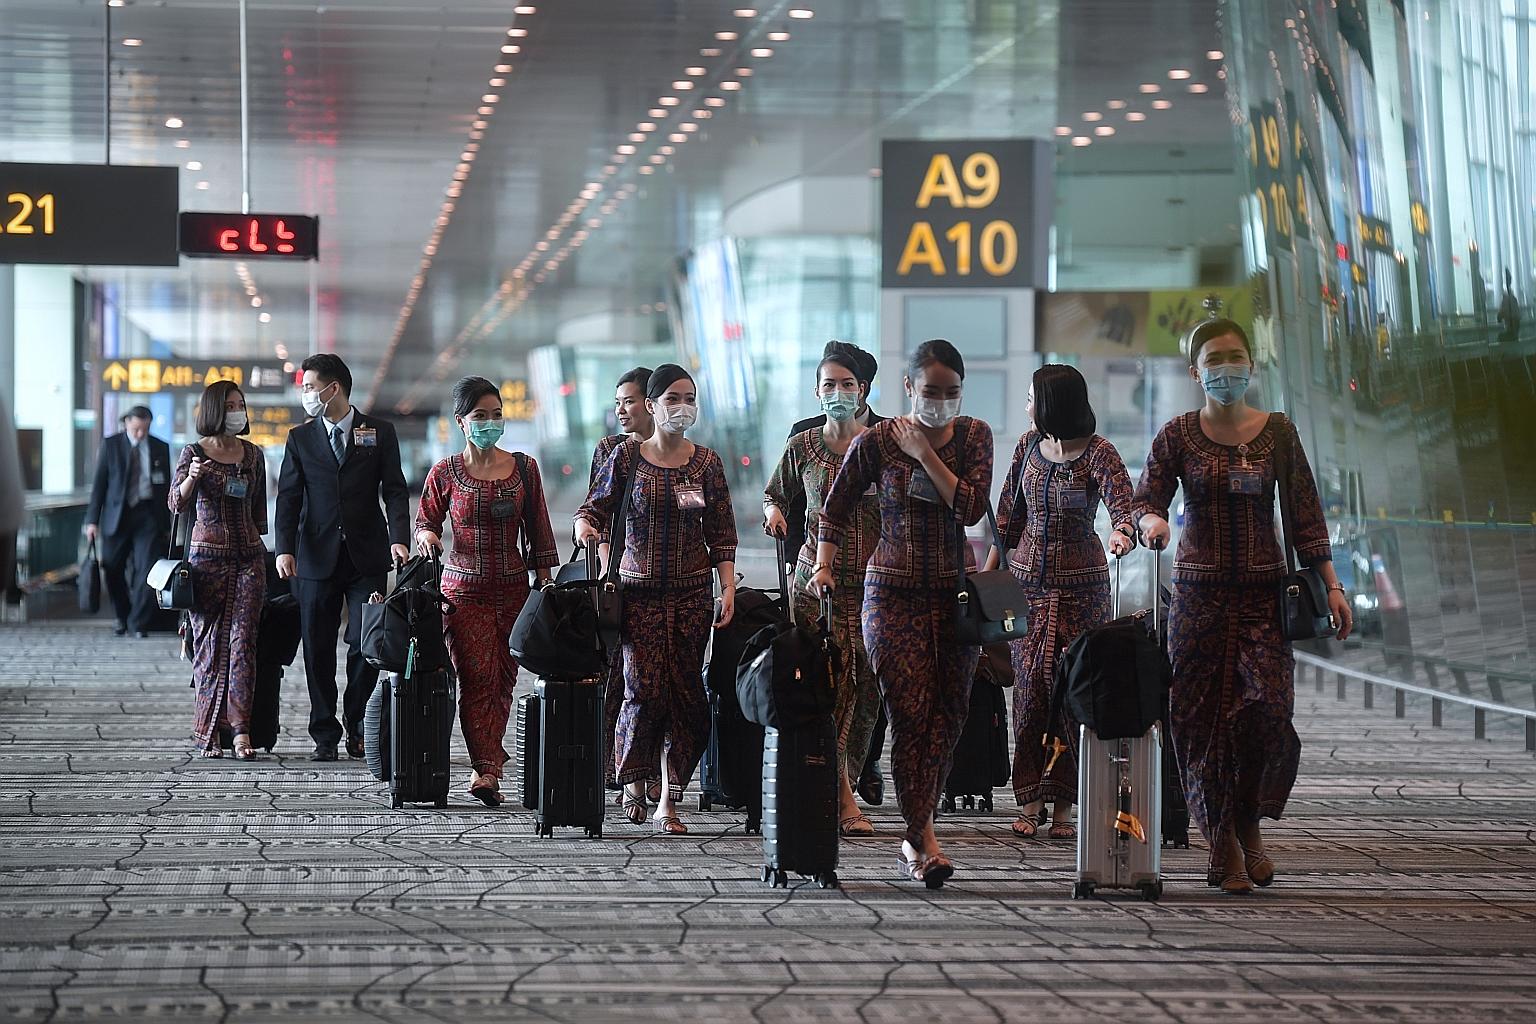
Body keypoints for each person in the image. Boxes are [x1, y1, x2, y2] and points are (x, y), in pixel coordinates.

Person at [1135, 318, 1352, 895]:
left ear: (1252, 365)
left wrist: (1330, 585)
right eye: (1215, 359)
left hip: (1263, 596)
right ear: (1195, 371)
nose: (1226, 368)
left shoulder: (1277, 432)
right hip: (1198, 600)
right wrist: (1151, 519)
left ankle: (1248, 819)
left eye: (1236, 356)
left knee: (1268, 712)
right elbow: (1147, 499)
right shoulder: (1177, 435)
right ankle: (1221, 843)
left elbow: (1305, 515)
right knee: (1198, 723)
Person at [812, 339, 993, 887]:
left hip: (953, 596)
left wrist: (925, 454)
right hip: (889, 594)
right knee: (911, 713)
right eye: (929, 391)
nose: (940, 402)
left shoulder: (974, 437)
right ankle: (922, 837)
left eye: (950, 393)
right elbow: (835, 509)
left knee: (950, 713)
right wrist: (823, 565)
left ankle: (918, 832)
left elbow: (970, 507)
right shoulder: (875, 442)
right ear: (908, 387)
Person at [574, 364, 738, 834]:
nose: (681, 407)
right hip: (638, 595)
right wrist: (585, 526)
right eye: (672, 399)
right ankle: (634, 777)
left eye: (689, 398)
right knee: (642, 688)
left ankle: (669, 793)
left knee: (685, 690)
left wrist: (726, 587)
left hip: (691, 595)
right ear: (651, 405)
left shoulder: (707, 463)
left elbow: (722, 534)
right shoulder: (627, 457)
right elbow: (594, 506)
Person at [985, 365, 1136, 841]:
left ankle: (1066, 807)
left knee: (1074, 695)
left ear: (1053, 402)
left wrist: (1123, 533)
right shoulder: (1028, 447)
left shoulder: (1099, 453)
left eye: (1031, 397)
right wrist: (990, 571)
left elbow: (1123, 506)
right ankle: (1028, 802)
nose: (1027, 406)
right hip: (1027, 586)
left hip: (1084, 590)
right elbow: (1008, 516)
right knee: (1029, 694)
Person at [416, 376, 559, 806]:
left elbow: (538, 529)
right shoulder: (445, 472)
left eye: (497, 415)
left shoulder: (525, 469)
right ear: (461, 422)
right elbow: (426, 520)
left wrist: (546, 579)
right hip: (463, 594)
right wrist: (425, 537)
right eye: (481, 416)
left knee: (505, 680)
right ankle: (486, 769)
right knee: (477, 678)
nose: (490, 423)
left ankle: (490, 758)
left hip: (515, 591)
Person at [763, 342, 883, 838]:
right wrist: (774, 512)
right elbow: (776, 492)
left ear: (862, 392)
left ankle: (845, 780)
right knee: (828, 685)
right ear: (817, 392)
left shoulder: (881, 444)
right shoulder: (803, 447)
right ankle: (840, 796)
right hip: (818, 586)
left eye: (847, 385)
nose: (838, 393)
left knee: (868, 688)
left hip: (875, 586)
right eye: (829, 385)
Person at [274, 354, 411, 762]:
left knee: (365, 643)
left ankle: (356, 723)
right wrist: (284, 548)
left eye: (310, 386)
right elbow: (288, 497)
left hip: (366, 556)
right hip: (314, 559)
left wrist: (398, 538)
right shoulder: (300, 438)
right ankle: (324, 733)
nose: (306, 394)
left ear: (334, 388)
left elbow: (395, 490)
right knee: (316, 647)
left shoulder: (379, 432)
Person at [169, 382, 268, 758]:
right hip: (206, 560)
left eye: (240, 404)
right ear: (213, 409)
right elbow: (175, 504)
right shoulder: (193, 453)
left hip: (248, 559)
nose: (236, 411)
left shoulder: (253, 455)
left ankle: (242, 730)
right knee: (209, 645)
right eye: (229, 405)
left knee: (243, 643)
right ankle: (208, 730)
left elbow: (259, 512)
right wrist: (193, 477)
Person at [584, 367, 658, 799]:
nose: (622, 410)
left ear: (650, 403)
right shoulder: (610, 449)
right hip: (616, 576)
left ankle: (651, 769)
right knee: (616, 674)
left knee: (657, 678)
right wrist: (603, 552)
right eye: (617, 403)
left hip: (668, 579)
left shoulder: (685, 454)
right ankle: (615, 764)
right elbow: (599, 505)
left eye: (628, 401)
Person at [84, 406, 172, 637]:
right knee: (112, 568)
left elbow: (166, 487)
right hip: (117, 515)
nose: (140, 434)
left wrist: (168, 523)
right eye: (136, 429)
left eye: (145, 429)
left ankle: (137, 622)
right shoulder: (110, 445)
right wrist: (92, 521)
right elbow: (99, 485)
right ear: (127, 424)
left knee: (147, 569)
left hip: (148, 516)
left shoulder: (160, 447)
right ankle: (121, 616)